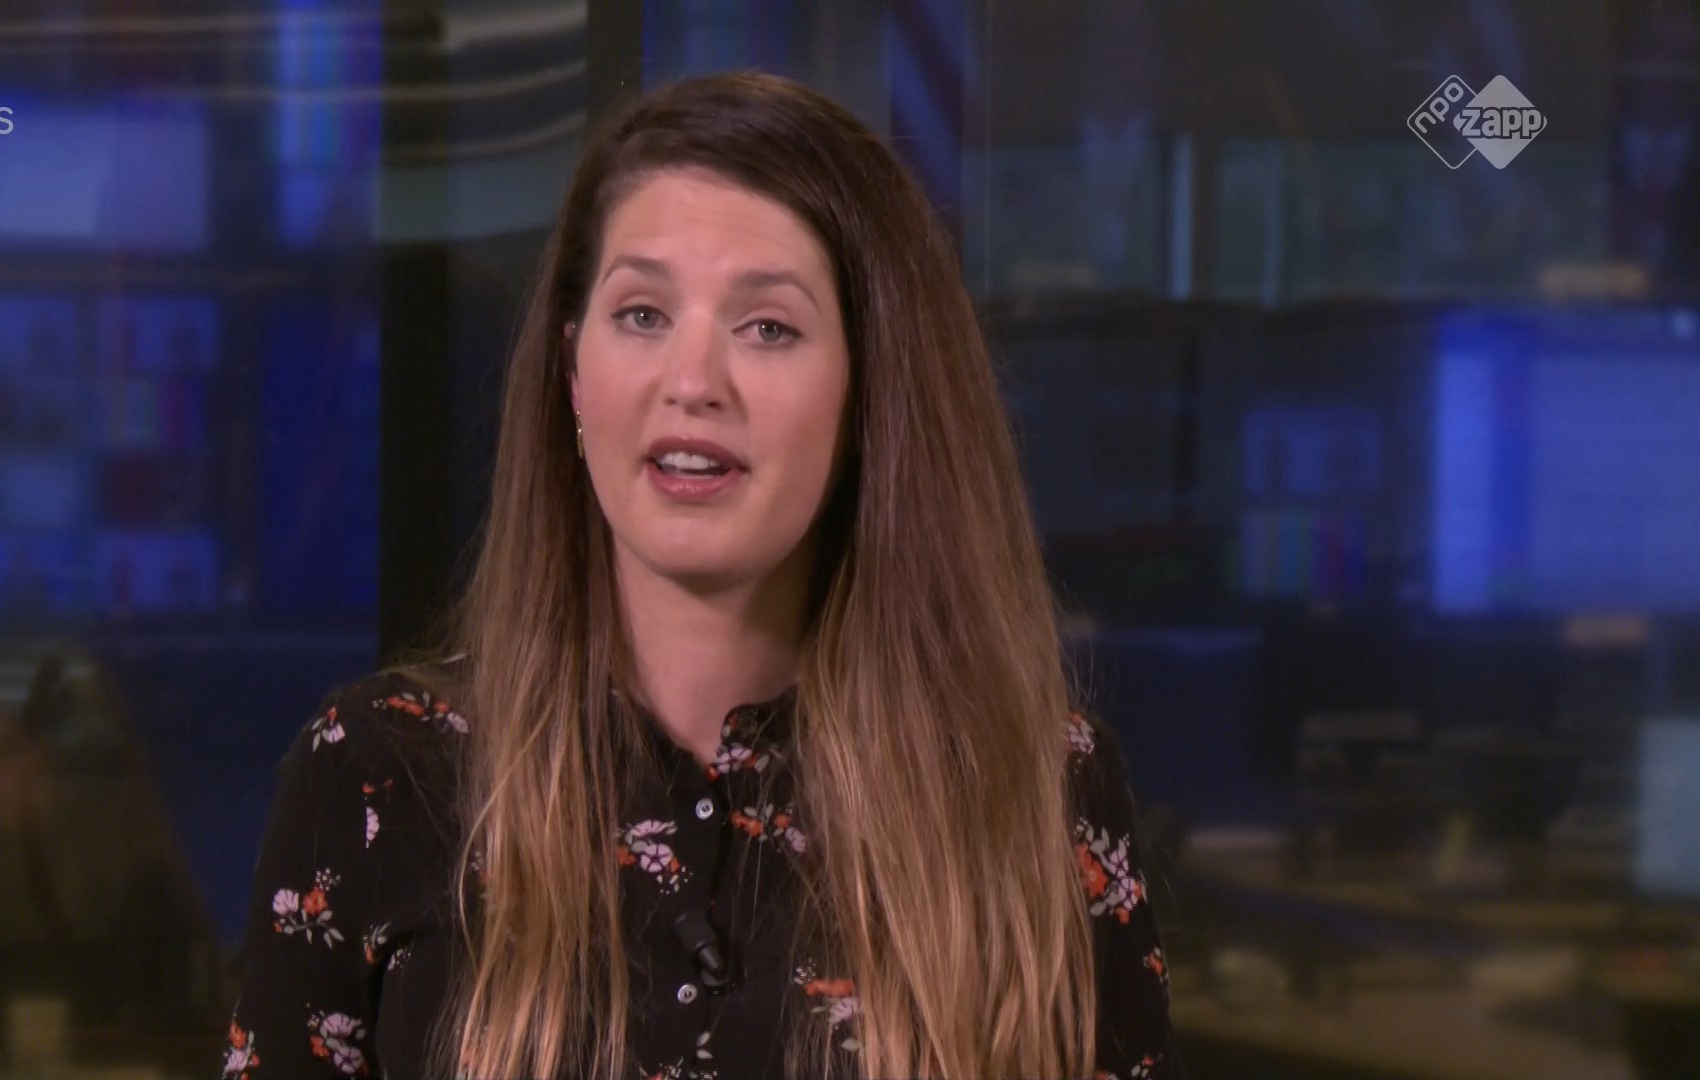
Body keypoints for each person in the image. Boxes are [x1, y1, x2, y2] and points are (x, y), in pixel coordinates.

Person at [220, 71, 1179, 1080]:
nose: (692, 382)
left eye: (768, 327)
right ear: (572, 373)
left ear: (871, 396)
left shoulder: (1036, 790)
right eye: (642, 314)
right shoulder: (378, 779)